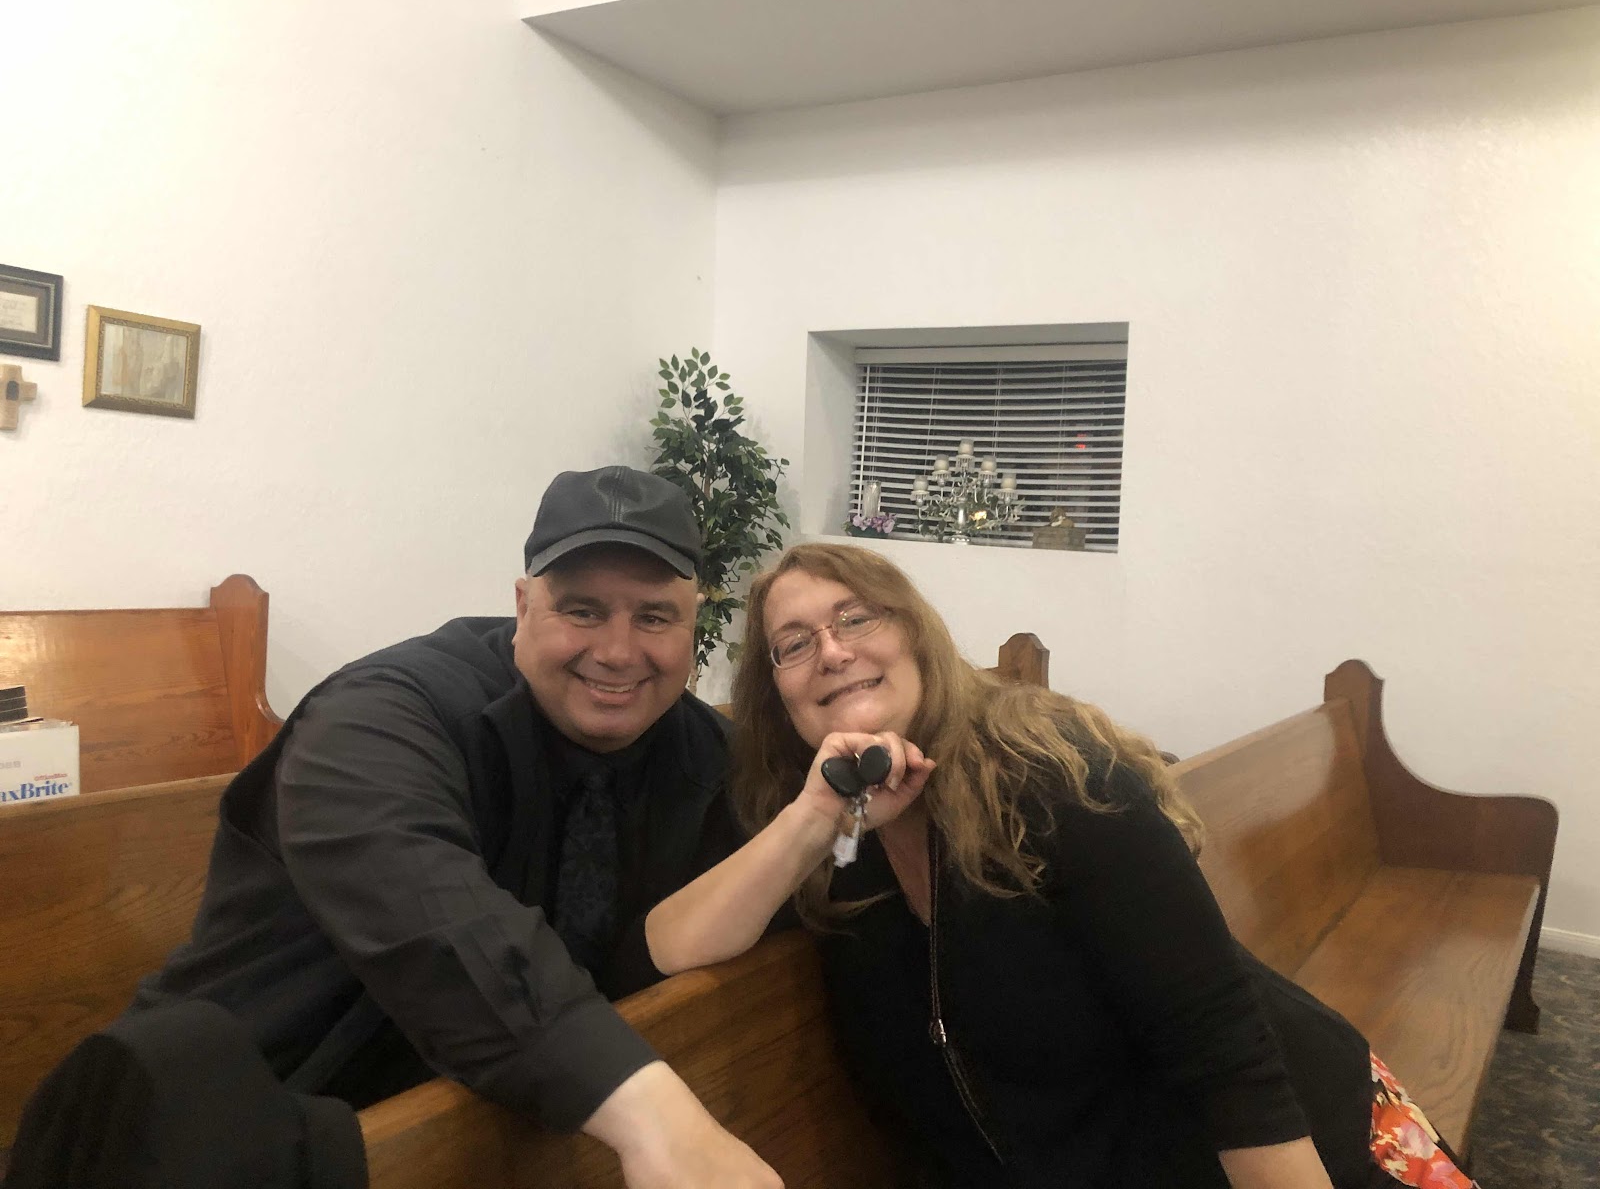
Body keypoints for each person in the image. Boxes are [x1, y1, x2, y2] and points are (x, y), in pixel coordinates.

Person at [642, 542, 1480, 1189]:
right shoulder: (833, 833)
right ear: (777, 694)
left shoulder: (1053, 777)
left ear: (916, 636)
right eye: (793, 644)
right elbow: (673, 945)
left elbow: (1227, 1056)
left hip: (1302, 1147)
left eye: (856, 619)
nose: (831, 651)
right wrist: (817, 819)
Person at [124, 466, 780, 1189]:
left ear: (694, 623)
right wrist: (657, 1120)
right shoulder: (379, 714)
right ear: (523, 605)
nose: (619, 652)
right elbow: (436, 920)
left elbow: (793, 875)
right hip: (227, 1121)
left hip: (479, 1136)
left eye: (654, 617)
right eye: (582, 611)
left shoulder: (699, 747)